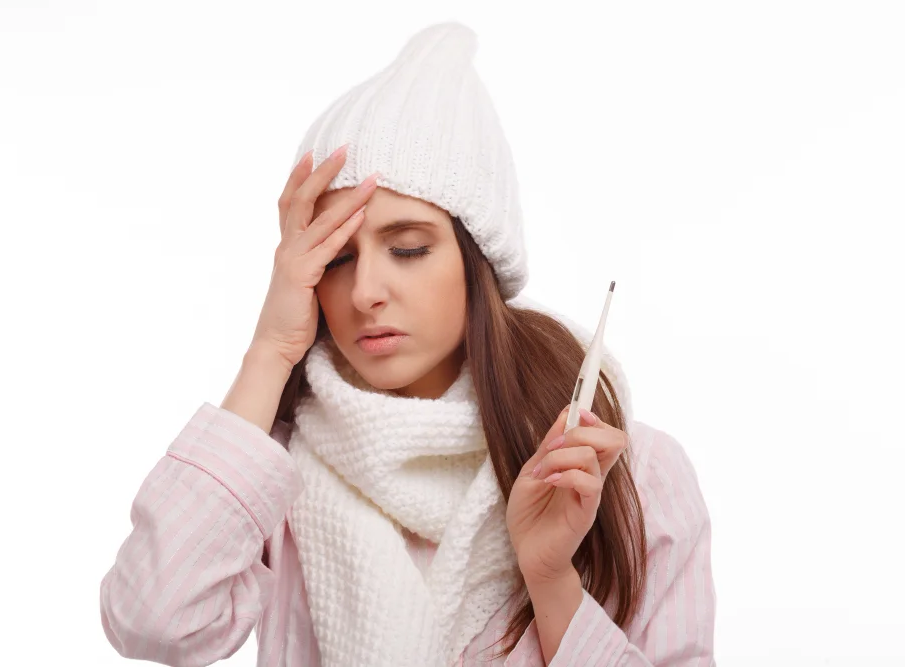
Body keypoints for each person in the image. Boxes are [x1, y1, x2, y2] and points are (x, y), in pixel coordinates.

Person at [99, 21, 716, 667]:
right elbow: (153, 623)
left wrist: (551, 578)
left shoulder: (626, 471)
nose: (365, 289)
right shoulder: (270, 471)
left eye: (408, 248)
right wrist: (270, 349)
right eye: (335, 257)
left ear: (479, 262)